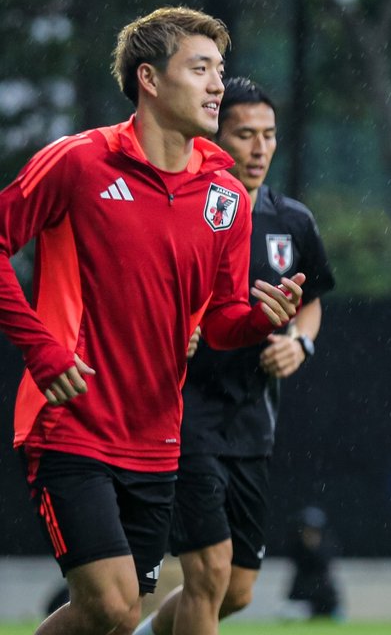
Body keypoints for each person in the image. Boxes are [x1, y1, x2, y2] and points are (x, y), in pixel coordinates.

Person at [0, 7, 304, 635]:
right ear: (149, 79)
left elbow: (219, 321)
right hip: (71, 422)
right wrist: (41, 349)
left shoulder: (224, 192)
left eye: (221, 69)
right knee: (111, 605)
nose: (218, 84)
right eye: (200, 69)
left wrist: (257, 320)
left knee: (116, 616)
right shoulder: (80, 162)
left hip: (159, 438)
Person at [135, 77, 335, 635]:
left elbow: (311, 302)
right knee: (210, 574)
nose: (258, 148)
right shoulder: (185, 208)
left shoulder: (292, 219)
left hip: (252, 420)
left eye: (268, 135)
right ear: (214, 137)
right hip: (184, 412)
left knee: (238, 590)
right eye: (244, 134)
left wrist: (300, 341)